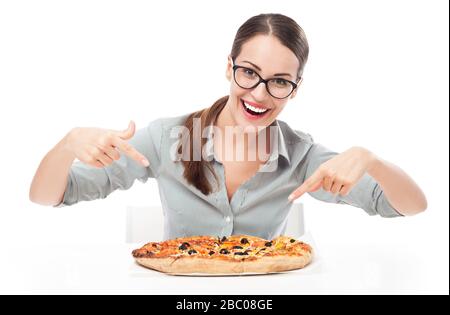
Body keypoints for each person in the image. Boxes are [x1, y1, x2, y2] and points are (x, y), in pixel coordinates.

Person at [29, 13, 427, 240]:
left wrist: (371, 160)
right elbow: (47, 197)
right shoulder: (166, 139)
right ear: (228, 67)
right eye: (249, 73)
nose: (259, 93)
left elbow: (410, 206)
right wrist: (66, 145)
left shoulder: (302, 156)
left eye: (279, 81)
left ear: (295, 88)